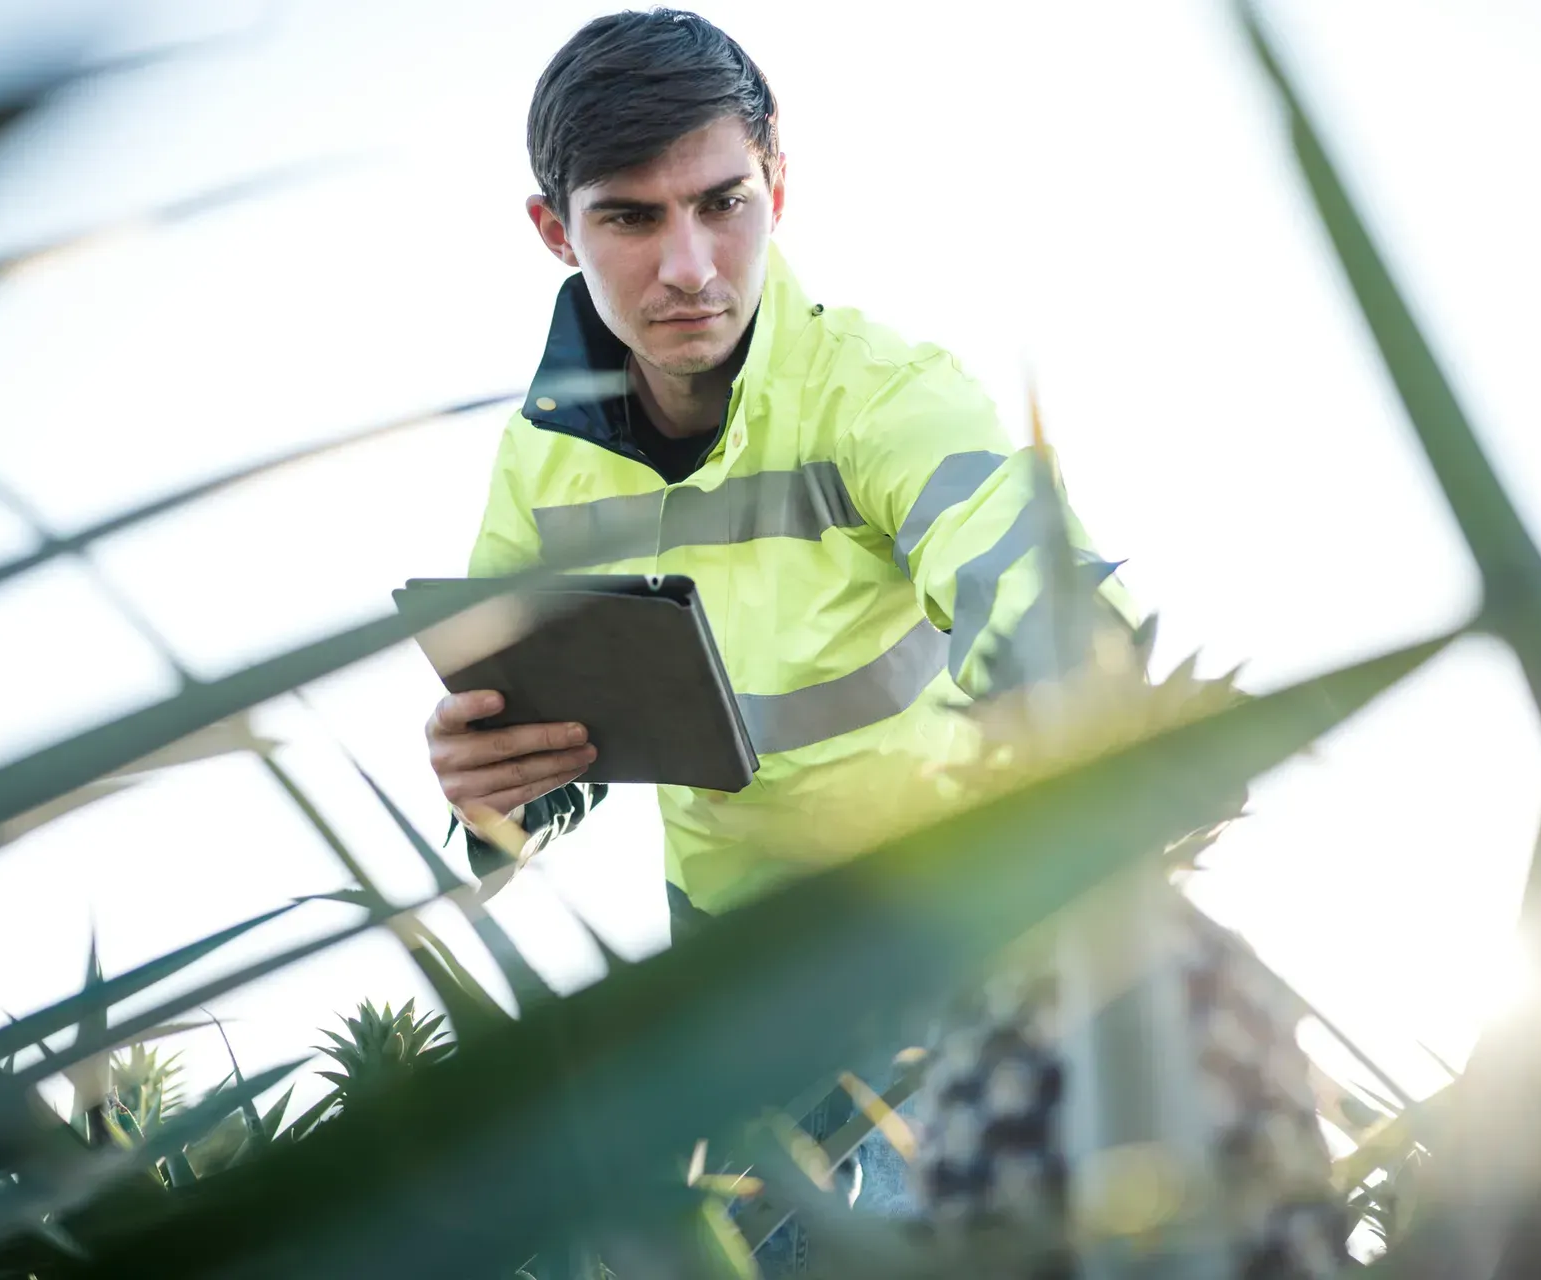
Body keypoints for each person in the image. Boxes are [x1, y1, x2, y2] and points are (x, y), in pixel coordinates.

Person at [422, 8, 1133, 1271]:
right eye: (631, 219)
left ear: (779, 184)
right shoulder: (536, 472)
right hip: (737, 981)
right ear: (555, 229)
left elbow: (1023, 578)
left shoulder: (886, 392)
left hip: (942, 925)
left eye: (722, 201)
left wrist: (1100, 705)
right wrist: (491, 801)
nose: (689, 265)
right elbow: (534, 753)